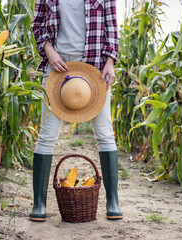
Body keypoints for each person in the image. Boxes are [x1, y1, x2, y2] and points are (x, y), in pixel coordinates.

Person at [30, 0, 123, 221]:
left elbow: (112, 27)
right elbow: (38, 26)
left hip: (94, 70)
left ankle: (113, 201)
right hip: (58, 70)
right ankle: (39, 204)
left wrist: (110, 62)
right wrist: (50, 53)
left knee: (105, 134)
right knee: (47, 136)